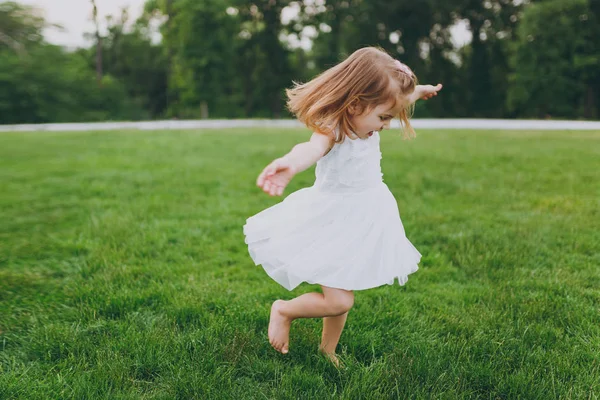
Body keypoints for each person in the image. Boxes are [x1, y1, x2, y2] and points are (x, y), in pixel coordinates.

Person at [243, 46, 442, 366]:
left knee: (343, 294)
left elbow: (398, 99)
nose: (386, 126)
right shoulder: (333, 128)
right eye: (383, 118)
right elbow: (309, 149)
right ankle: (284, 309)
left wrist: (419, 91)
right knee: (339, 300)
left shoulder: (369, 112)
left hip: (363, 217)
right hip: (333, 218)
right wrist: (290, 165)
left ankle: (328, 350)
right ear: (355, 104)